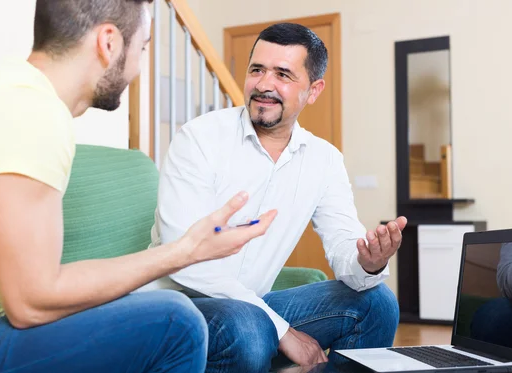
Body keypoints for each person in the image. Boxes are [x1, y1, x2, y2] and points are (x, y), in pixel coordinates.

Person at [0, 1, 276, 372]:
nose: (139, 68)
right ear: (109, 43)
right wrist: (186, 251)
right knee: (176, 323)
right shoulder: (30, 112)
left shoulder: (1, 88)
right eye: (141, 48)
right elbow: (30, 302)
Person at [152, 22, 407, 372]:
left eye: (283, 74)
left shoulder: (324, 159)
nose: (264, 84)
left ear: (313, 90)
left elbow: (344, 245)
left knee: (377, 302)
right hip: (181, 307)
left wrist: (369, 261)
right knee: (250, 327)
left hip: (254, 307)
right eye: (257, 69)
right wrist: (281, 329)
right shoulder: (199, 139)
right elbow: (185, 259)